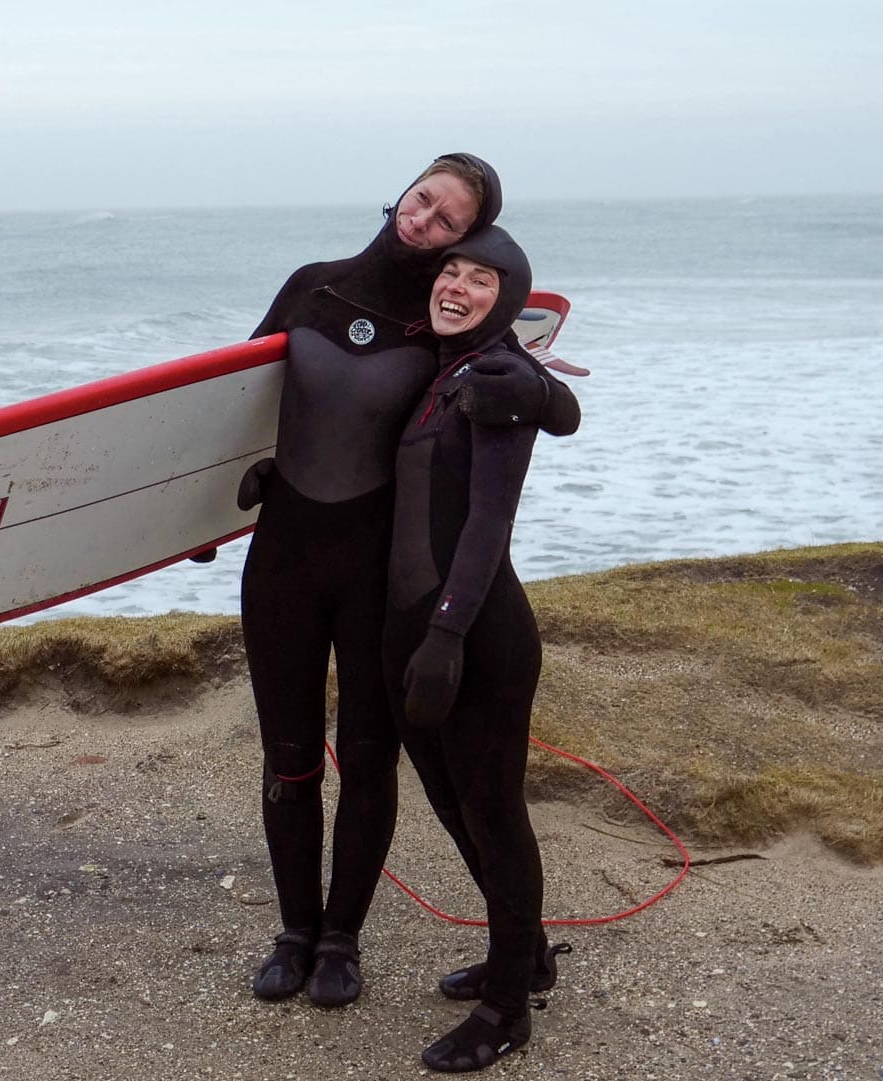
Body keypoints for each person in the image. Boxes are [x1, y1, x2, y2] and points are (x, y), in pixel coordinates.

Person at [238, 154, 578, 1009]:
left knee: (366, 756)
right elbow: (234, 399)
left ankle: (343, 937)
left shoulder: (441, 328)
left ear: (470, 242)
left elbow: (513, 388)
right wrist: (197, 509)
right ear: (406, 191)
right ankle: (294, 930)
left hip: (372, 572)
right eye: (424, 200)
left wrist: (543, 393)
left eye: (450, 223)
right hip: (279, 558)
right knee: (287, 757)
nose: (424, 222)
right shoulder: (310, 288)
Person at [382, 224, 570, 1071]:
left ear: (512, 299)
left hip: (479, 633)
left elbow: (488, 519)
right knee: (455, 805)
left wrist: (448, 633)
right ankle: (521, 954)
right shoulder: (445, 372)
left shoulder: (496, 378)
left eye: (482, 279)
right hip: (421, 628)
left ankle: (507, 1009)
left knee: (493, 813)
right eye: (450, 270)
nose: (456, 285)